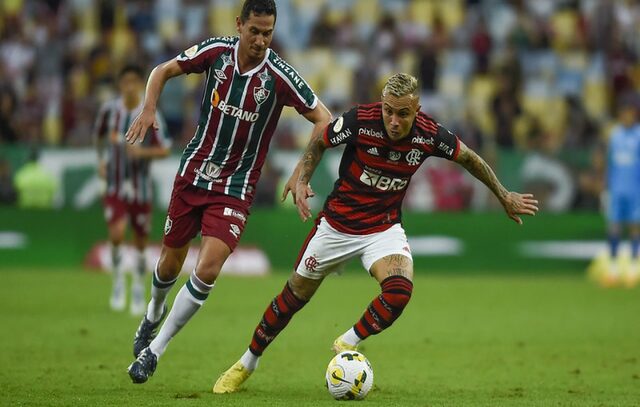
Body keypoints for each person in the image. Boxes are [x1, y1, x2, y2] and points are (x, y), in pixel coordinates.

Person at [213, 73, 539, 393]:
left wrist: (504, 195)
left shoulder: (429, 135)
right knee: (292, 297)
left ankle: (348, 341)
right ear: (381, 104)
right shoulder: (360, 121)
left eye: (403, 113)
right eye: (388, 111)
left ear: (417, 109)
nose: (393, 120)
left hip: (383, 228)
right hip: (337, 225)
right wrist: (302, 178)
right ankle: (247, 362)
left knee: (399, 291)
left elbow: (470, 159)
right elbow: (319, 142)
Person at [125, 0, 331, 384]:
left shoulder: (280, 76)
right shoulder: (216, 53)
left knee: (207, 269)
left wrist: (303, 171)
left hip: (235, 189)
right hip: (193, 175)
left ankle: (155, 351)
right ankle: (152, 314)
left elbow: (325, 119)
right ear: (240, 25)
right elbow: (162, 70)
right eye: (254, 31)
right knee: (170, 263)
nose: (260, 40)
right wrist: (149, 107)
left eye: (267, 33)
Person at [94, 64, 172, 315]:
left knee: (140, 244)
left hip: (141, 188)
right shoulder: (109, 111)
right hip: (116, 185)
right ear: (120, 85)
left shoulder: (150, 113)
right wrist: (102, 161)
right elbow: (98, 137)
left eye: (134, 82)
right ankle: (118, 282)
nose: (129, 87)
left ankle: (137, 286)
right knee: (116, 234)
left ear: (140, 84)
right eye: (125, 82)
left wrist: (142, 152)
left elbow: (165, 149)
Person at [601, 100, 640, 287]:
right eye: (624, 113)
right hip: (617, 189)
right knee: (614, 226)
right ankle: (613, 267)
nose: (627, 116)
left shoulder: (639, 135)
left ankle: (634, 266)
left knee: (634, 226)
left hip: (635, 190)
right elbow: (609, 164)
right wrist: (605, 185)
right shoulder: (615, 136)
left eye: (630, 113)